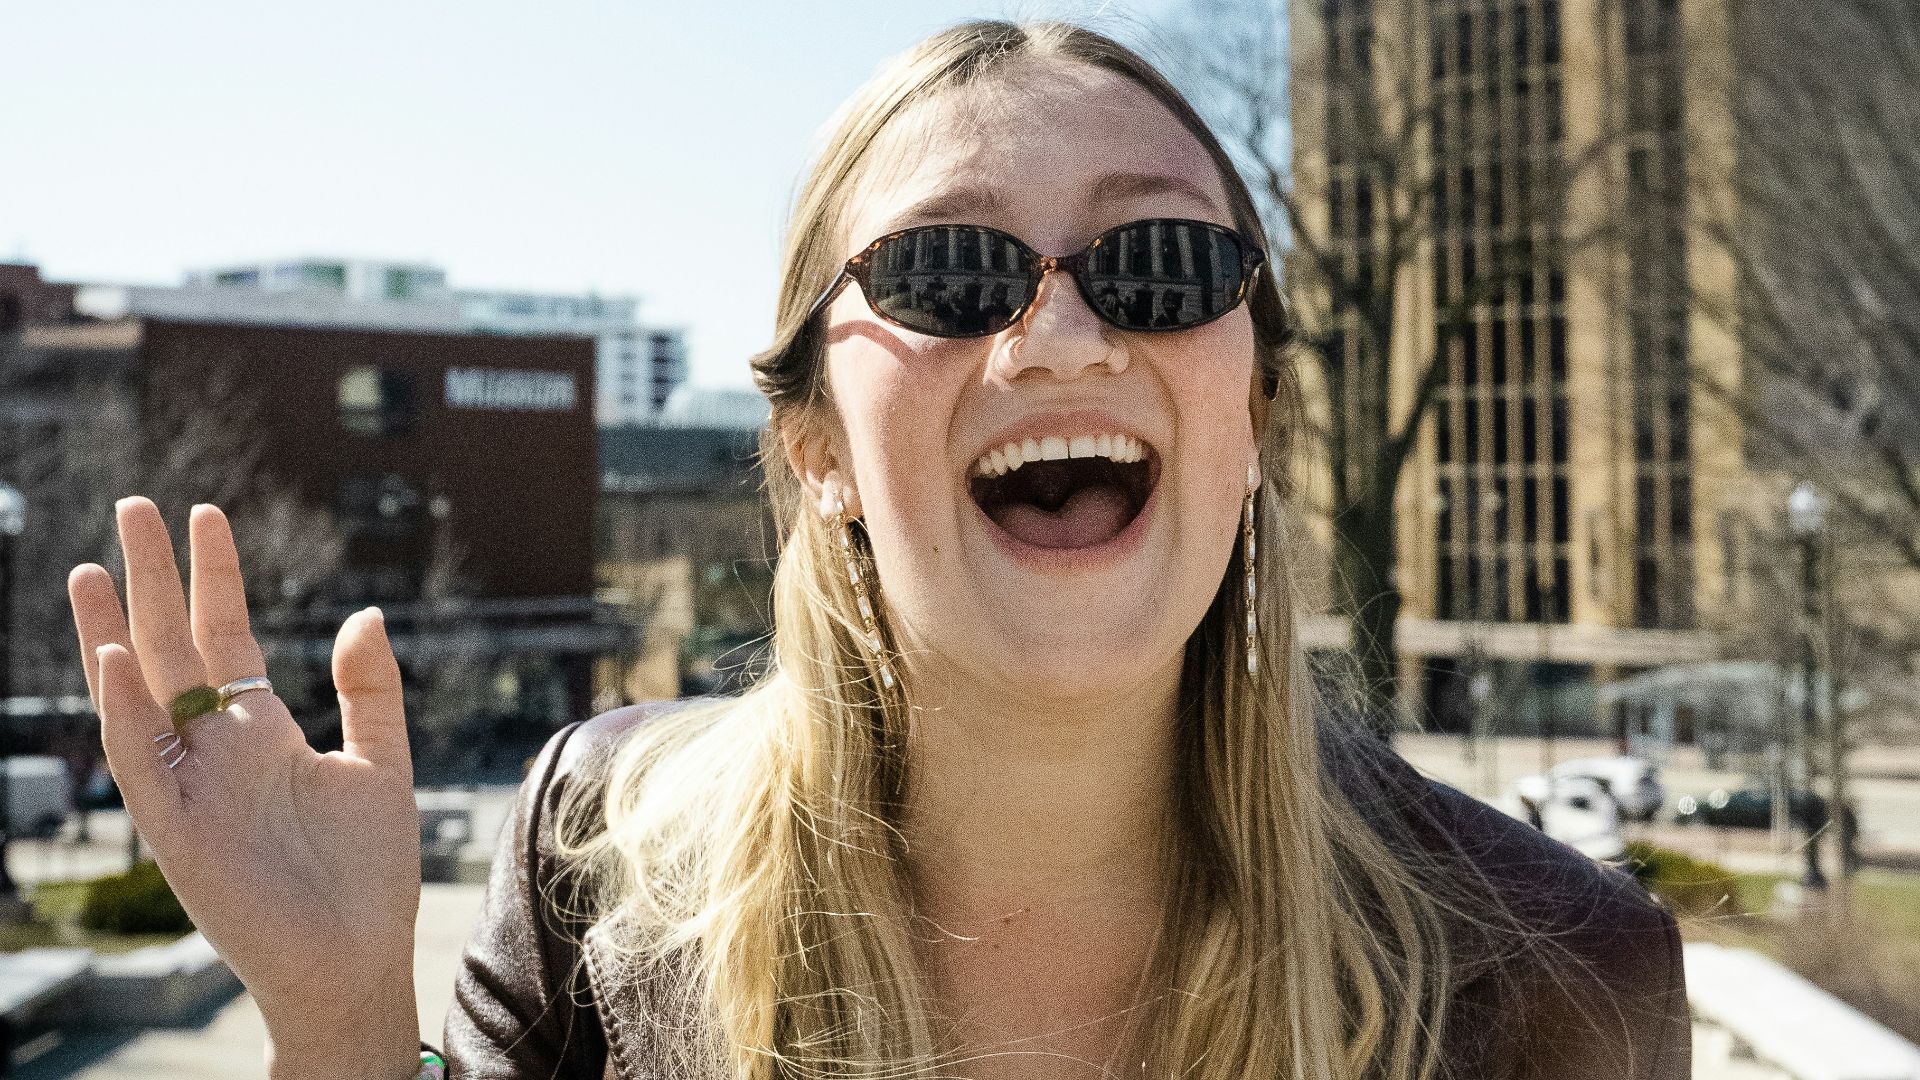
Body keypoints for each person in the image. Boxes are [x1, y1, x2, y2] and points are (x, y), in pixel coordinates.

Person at [63, 19, 1687, 1080]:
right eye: (951, 275)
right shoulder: (591, 859)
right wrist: (342, 1020)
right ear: (817, 446)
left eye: (1162, 261)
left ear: (1253, 408)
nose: (1061, 335)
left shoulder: (1566, 973)